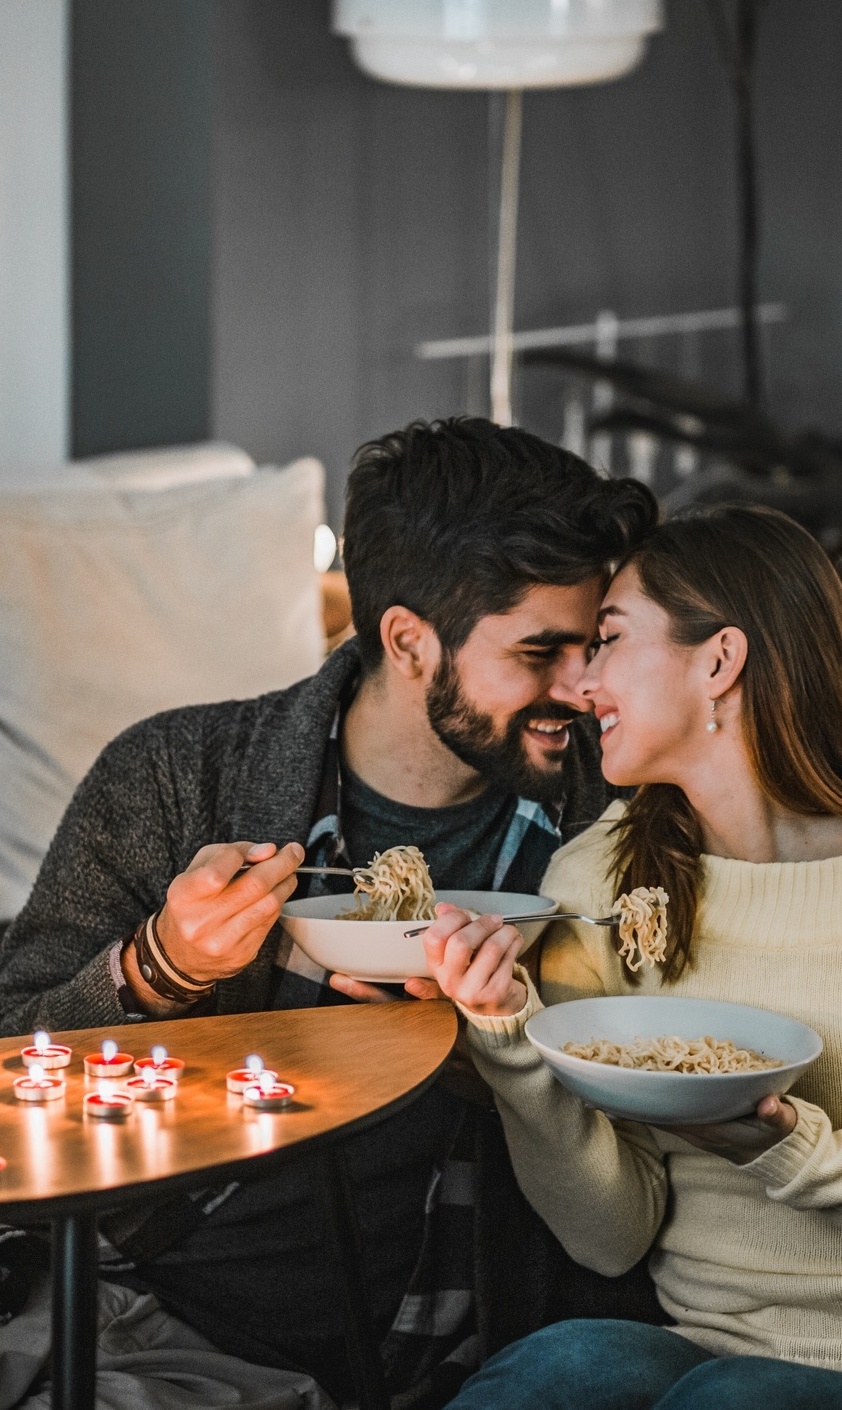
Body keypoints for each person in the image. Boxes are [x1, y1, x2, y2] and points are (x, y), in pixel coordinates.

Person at [0, 418, 658, 1404]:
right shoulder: (177, 779)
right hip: (157, 1307)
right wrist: (158, 969)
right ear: (406, 639)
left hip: (485, 1336)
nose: (582, 686)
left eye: (595, 645)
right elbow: (13, 1068)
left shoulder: (624, 815)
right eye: (539, 651)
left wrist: (502, 1052)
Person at [422, 504, 842, 1410]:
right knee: (555, 1370)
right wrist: (508, 1038)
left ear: (718, 661)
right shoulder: (603, 881)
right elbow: (609, 1239)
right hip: (700, 1350)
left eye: (608, 639)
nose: (581, 683)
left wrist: (794, 1152)